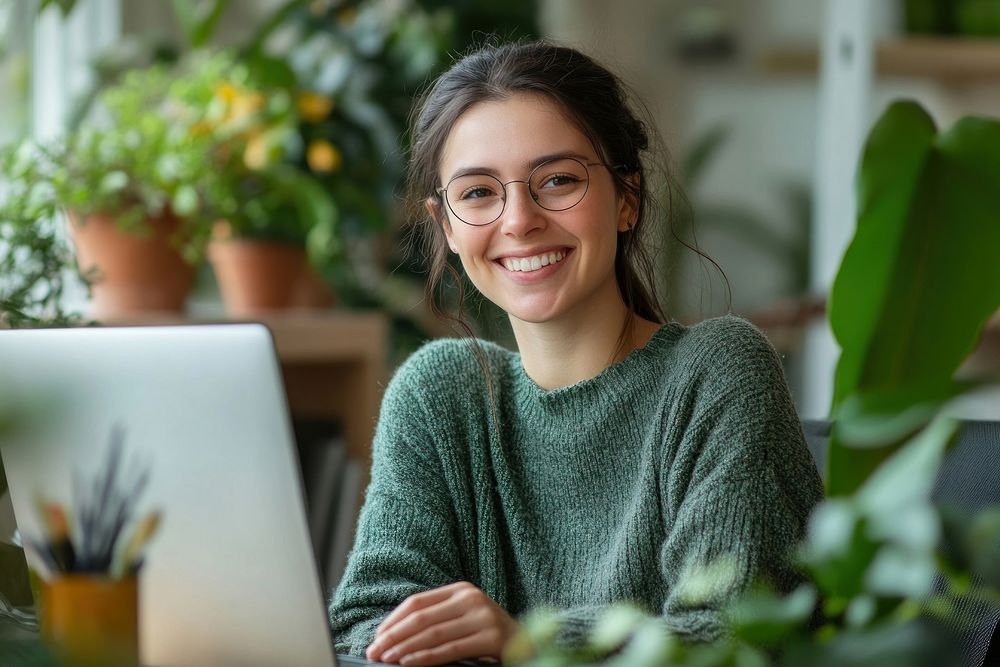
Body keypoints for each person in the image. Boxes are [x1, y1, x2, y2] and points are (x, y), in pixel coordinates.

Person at [329, 40, 824, 667]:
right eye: (478, 192)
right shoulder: (440, 393)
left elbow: (736, 640)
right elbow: (366, 625)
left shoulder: (719, 372)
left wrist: (525, 642)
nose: (518, 220)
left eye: (557, 180)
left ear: (626, 198)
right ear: (446, 225)